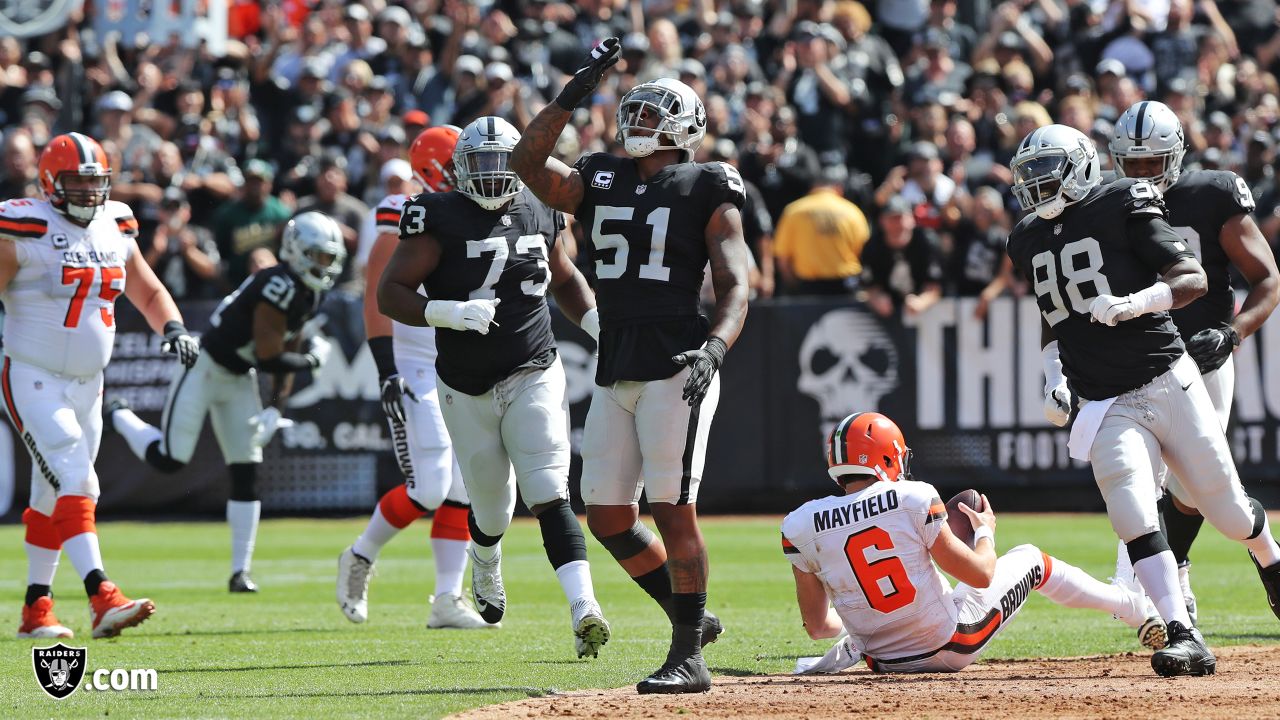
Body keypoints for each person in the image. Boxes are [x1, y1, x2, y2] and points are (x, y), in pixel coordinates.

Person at [511, 39, 751, 693]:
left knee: (674, 509)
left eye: (652, 115)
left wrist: (716, 347)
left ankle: (687, 658)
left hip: (678, 360)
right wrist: (570, 95)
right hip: (617, 363)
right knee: (610, 515)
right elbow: (525, 162)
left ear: (685, 125)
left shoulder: (709, 181)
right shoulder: (600, 174)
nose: (637, 123)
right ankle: (690, 622)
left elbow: (735, 283)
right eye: (634, 113)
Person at [1005, 124, 1280, 677]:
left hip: (1166, 377)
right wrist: (1052, 373)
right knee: (1129, 505)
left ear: (1081, 168)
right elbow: (1052, 312)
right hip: (1106, 399)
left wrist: (1135, 304)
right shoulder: (1027, 237)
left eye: (1046, 174)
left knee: (1225, 511)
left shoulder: (1121, 199)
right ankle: (1183, 632)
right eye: (1028, 177)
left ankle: (1271, 561)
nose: (1035, 189)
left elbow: (1192, 278)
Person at [378, 116, 610, 658]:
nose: (490, 174)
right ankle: (485, 558)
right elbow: (392, 292)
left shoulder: (540, 205)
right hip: (465, 383)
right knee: (491, 508)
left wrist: (599, 327)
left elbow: (565, 276)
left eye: (500, 162)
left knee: (550, 489)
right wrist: (447, 312)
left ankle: (584, 607)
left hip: (533, 367)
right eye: (478, 163)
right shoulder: (432, 214)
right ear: (459, 168)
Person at [1, 132, 200, 638]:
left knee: (53, 494)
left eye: (96, 184)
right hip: (32, 373)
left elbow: (147, 289)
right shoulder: (23, 226)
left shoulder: (116, 223)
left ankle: (36, 609)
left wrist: (173, 327)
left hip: (89, 382)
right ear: (49, 183)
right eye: (77, 184)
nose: (90, 195)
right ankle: (102, 595)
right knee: (77, 479)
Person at [785, 412, 1162, 675]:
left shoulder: (800, 523)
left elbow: (818, 627)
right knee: (1031, 559)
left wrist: (865, 619)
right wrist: (985, 532)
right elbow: (982, 575)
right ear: (886, 456)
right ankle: (1129, 605)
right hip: (949, 645)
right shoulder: (911, 496)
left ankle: (1130, 603)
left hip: (881, 660)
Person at [106, 212, 345, 593]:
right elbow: (270, 356)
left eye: (329, 258)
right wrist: (313, 363)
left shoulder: (308, 291)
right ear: (297, 252)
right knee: (170, 459)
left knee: (246, 469)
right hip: (205, 368)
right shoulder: (277, 284)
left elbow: (289, 343)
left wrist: (275, 407)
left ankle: (240, 572)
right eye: (317, 256)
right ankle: (119, 414)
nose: (324, 265)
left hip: (238, 378)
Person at [1107, 101, 1280, 627]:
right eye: (1131, 165)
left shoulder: (1210, 195)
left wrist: (1233, 332)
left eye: (1151, 163)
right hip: (1137, 362)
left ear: (1176, 156)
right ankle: (1169, 590)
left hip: (1200, 358)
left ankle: (1208, 564)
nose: (1141, 175)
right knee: (1137, 481)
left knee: (1193, 485)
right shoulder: (1106, 205)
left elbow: (1268, 278)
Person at [337, 124, 492, 630]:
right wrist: (386, 369)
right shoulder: (400, 210)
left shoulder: (476, 208)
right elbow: (377, 293)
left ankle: (447, 599)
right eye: (461, 164)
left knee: (464, 486)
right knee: (427, 487)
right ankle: (359, 556)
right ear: (432, 172)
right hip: (415, 363)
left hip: (460, 360)